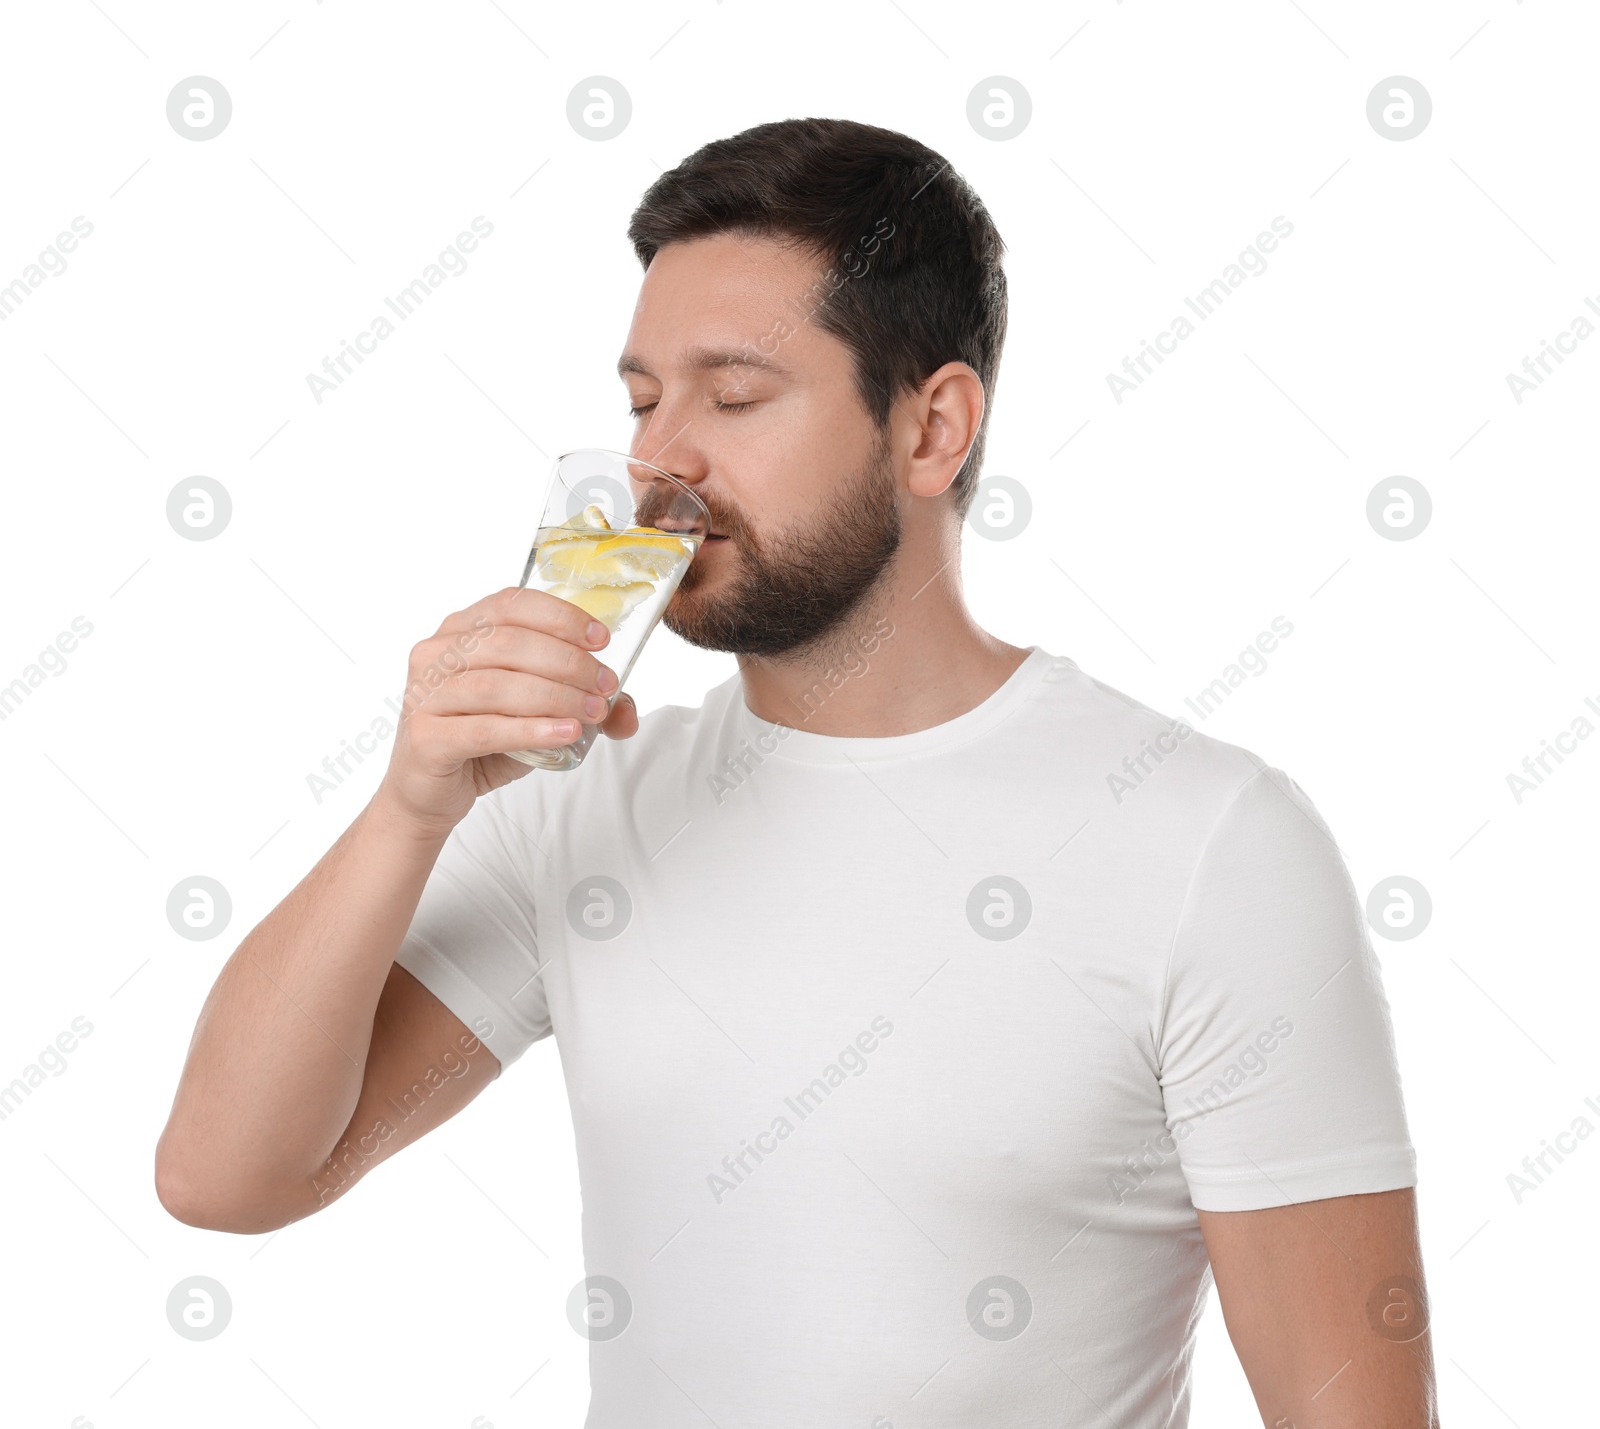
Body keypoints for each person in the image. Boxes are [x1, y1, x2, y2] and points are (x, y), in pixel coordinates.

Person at [156, 117, 1438, 1427]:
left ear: (931, 427)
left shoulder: (1208, 842)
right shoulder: (575, 803)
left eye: (735, 394)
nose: (662, 464)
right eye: (644, 398)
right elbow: (228, 1177)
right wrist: (408, 808)